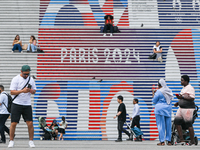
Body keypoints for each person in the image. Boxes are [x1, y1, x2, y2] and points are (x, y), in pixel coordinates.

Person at [8, 65, 36, 148]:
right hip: (16, 103)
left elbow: (34, 91)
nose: (26, 76)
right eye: (25, 74)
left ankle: (31, 141)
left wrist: (31, 91)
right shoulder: (15, 79)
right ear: (21, 72)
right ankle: (11, 141)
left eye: (28, 74)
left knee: (30, 123)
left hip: (27, 104)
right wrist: (22, 91)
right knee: (14, 123)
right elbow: (12, 92)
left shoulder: (31, 79)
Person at [174, 75, 195, 146]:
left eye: (182, 80)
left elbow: (192, 98)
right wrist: (178, 102)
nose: (181, 81)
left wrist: (182, 97)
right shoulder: (183, 88)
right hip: (181, 108)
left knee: (189, 124)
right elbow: (182, 98)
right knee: (176, 122)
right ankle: (181, 139)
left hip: (187, 109)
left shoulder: (190, 88)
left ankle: (192, 141)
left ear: (186, 81)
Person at [152, 78, 173, 146]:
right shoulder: (169, 90)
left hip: (160, 109)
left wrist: (153, 94)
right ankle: (169, 141)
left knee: (161, 125)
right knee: (168, 125)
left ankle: (162, 141)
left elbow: (154, 101)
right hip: (168, 109)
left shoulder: (158, 91)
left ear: (159, 84)